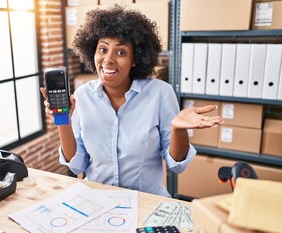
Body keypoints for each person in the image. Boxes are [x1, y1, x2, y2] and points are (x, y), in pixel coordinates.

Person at [41, 4, 223, 197]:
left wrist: (179, 129)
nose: (108, 59)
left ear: (135, 59)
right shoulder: (82, 96)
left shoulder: (160, 93)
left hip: (147, 202)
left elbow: (176, 165)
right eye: (102, 49)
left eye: (121, 52)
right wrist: (64, 123)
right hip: (97, 201)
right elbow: (77, 166)